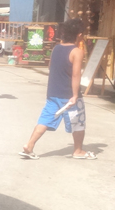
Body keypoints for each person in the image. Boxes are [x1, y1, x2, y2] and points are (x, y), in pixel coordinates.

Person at [20, 19, 96, 160]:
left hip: (53, 93)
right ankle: (78, 150)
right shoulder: (76, 52)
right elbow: (75, 74)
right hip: (69, 95)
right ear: (79, 35)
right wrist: (75, 95)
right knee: (78, 123)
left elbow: (51, 68)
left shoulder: (56, 48)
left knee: (45, 120)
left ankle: (29, 146)